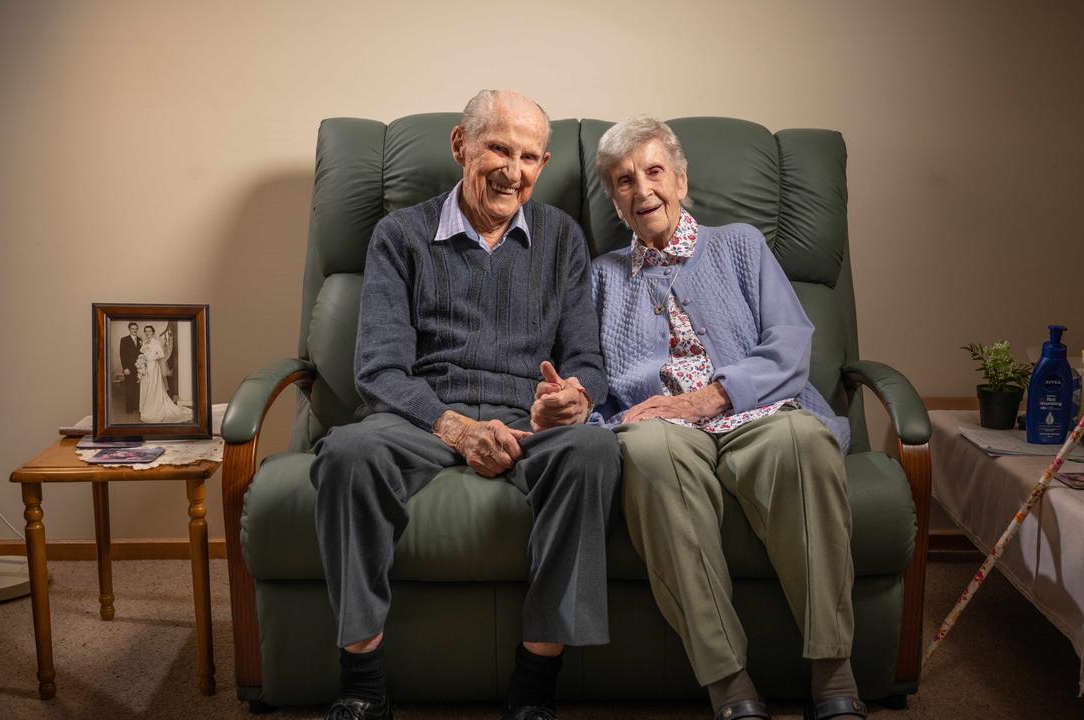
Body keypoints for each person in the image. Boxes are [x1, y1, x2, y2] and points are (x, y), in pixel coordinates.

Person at [309, 90, 621, 720]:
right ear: (460, 146)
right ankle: (363, 685)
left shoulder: (562, 239)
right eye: (500, 149)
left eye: (531, 156)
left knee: (592, 448)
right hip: (426, 414)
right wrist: (455, 427)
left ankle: (535, 685)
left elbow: (587, 361)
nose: (515, 170)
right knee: (347, 450)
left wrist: (573, 398)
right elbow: (378, 370)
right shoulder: (399, 236)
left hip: (527, 420)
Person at [588, 116, 865, 720]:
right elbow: (587, 380)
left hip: (756, 410)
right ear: (613, 199)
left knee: (804, 444)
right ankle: (730, 683)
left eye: (654, 172)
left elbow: (790, 343)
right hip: (658, 425)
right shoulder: (601, 277)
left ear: (681, 180)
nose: (642, 191)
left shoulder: (740, 244)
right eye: (623, 181)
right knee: (651, 454)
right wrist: (583, 414)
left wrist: (711, 396)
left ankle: (832, 671)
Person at [138, 325, 193, 424]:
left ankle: (153, 408)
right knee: (146, 387)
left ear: (153, 332)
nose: (147, 333)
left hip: (153, 367)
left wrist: (152, 357)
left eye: (149, 331)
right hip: (145, 368)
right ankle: (145, 407)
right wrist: (143, 360)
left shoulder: (156, 342)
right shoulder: (145, 342)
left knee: (153, 387)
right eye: (146, 331)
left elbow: (161, 354)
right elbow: (141, 352)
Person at [119, 322, 142, 414]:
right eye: (132, 328)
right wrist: (125, 368)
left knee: (137, 387)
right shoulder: (124, 339)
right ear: (129, 329)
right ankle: (129, 408)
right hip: (128, 368)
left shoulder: (140, 339)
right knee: (129, 387)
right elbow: (122, 355)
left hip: (138, 367)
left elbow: (141, 354)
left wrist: (142, 366)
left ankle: (136, 405)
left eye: (136, 328)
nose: (134, 330)